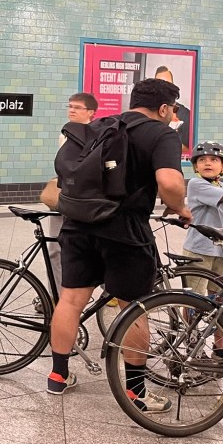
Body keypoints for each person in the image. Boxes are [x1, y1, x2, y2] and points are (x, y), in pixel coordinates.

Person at [47, 78, 192, 413]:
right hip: (124, 231)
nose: (173, 115)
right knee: (134, 307)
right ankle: (136, 393)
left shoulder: (100, 125)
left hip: (78, 224)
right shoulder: (161, 133)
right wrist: (181, 208)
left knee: (70, 300)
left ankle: (57, 376)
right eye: (172, 109)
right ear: (164, 108)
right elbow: (169, 181)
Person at [39, 92, 98, 294]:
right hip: (63, 196)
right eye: (70, 106)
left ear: (90, 112)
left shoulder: (98, 136)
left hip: (85, 201)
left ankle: (109, 291)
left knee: (94, 248)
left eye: (77, 107)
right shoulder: (64, 134)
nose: (72, 110)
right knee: (55, 249)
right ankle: (54, 295)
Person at [183, 141, 223, 358]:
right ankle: (192, 346)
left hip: (220, 252)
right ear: (195, 166)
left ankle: (220, 347)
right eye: (202, 160)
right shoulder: (197, 184)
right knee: (193, 300)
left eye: (214, 159)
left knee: (220, 301)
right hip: (199, 250)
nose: (208, 163)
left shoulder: (219, 185)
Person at [154, 66, 191, 149]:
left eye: (168, 84)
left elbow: (191, 151)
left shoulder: (186, 116)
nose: (164, 88)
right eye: (159, 84)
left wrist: (172, 139)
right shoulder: (147, 113)